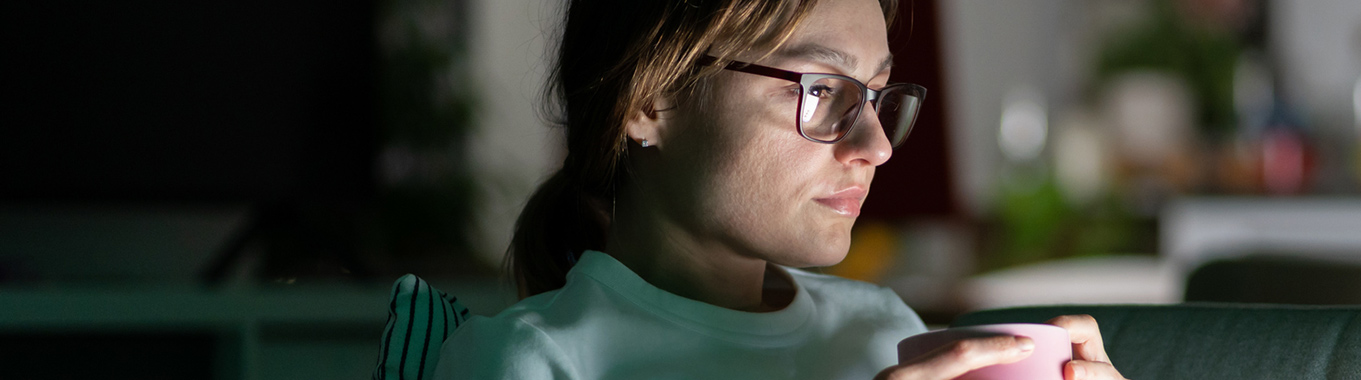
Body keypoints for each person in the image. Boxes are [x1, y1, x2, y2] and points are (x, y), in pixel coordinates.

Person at [431, 0, 1128, 379]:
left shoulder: (884, 332)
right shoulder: (528, 361)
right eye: (822, 89)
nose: (878, 147)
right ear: (648, 101)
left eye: (878, 95)